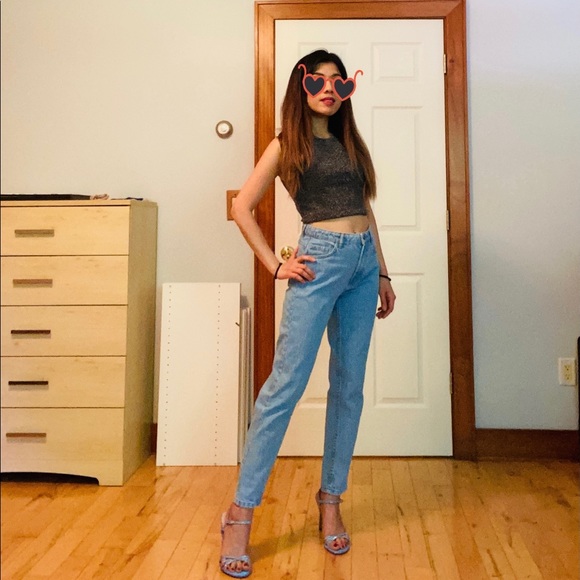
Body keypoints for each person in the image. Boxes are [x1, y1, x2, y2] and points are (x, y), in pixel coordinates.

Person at [219, 49, 396, 578]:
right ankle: (239, 514)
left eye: (339, 83)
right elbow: (241, 207)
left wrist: (383, 272)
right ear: (302, 86)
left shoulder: (348, 142)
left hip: (363, 264)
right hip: (319, 261)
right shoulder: (286, 144)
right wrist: (276, 265)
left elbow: (364, 209)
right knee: (285, 387)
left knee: (349, 387)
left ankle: (330, 501)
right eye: (318, 81)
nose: (329, 90)